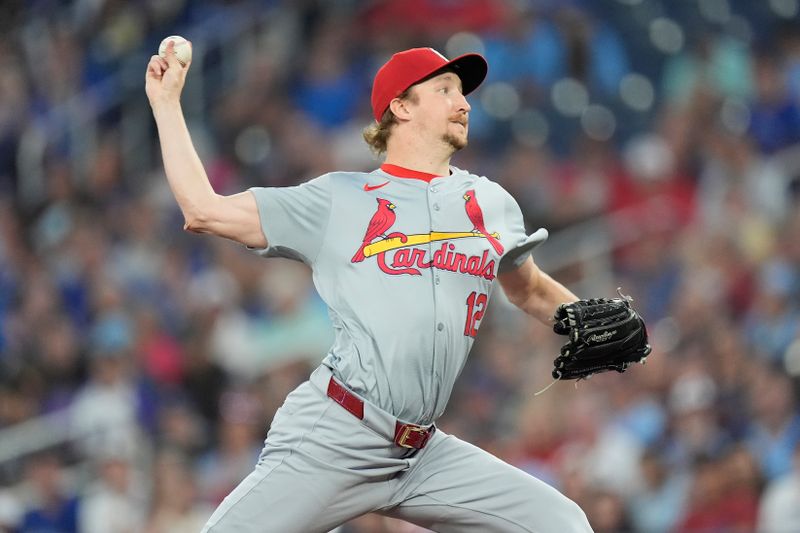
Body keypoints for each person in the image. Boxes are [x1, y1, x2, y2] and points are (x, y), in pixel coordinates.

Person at [146, 41, 593, 532]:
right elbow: (203, 209)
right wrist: (166, 104)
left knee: (560, 523)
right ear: (400, 107)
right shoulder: (339, 199)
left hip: (421, 452)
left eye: (462, 93)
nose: (463, 103)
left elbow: (526, 289)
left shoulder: (491, 202)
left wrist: (587, 322)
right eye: (444, 90)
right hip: (339, 432)